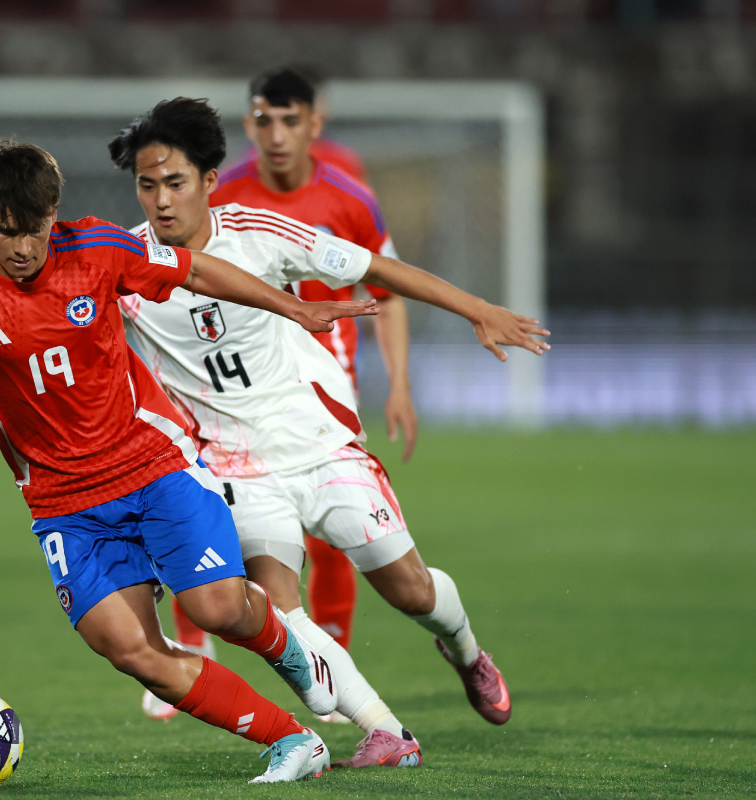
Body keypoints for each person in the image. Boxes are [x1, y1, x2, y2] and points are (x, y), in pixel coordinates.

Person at [0, 139, 385, 784]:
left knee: (218, 611)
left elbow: (194, 269)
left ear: (57, 215)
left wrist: (293, 306)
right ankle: (294, 741)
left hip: (152, 466)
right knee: (132, 650)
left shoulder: (99, 249)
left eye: (34, 231)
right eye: (3, 231)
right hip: (64, 504)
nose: (20, 249)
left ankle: (291, 649)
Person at [108, 99, 548, 767]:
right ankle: (386, 732)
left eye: (175, 183)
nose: (161, 201)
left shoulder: (259, 233)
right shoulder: (121, 265)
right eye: (147, 185)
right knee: (278, 607)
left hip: (317, 445)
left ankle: (465, 650)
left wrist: (477, 309)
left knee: (412, 591)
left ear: (209, 182)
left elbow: (377, 268)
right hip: (235, 470)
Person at [151, 66, 418, 710]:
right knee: (203, 502)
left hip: (322, 375)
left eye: (289, 119)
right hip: (222, 379)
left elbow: (384, 285)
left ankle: (336, 658)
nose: (275, 134)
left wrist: (400, 384)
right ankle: (200, 645)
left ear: (314, 124)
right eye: (263, 119)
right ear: (247, 125)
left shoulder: (349, 190)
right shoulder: (222, 190)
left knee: (335, 541)